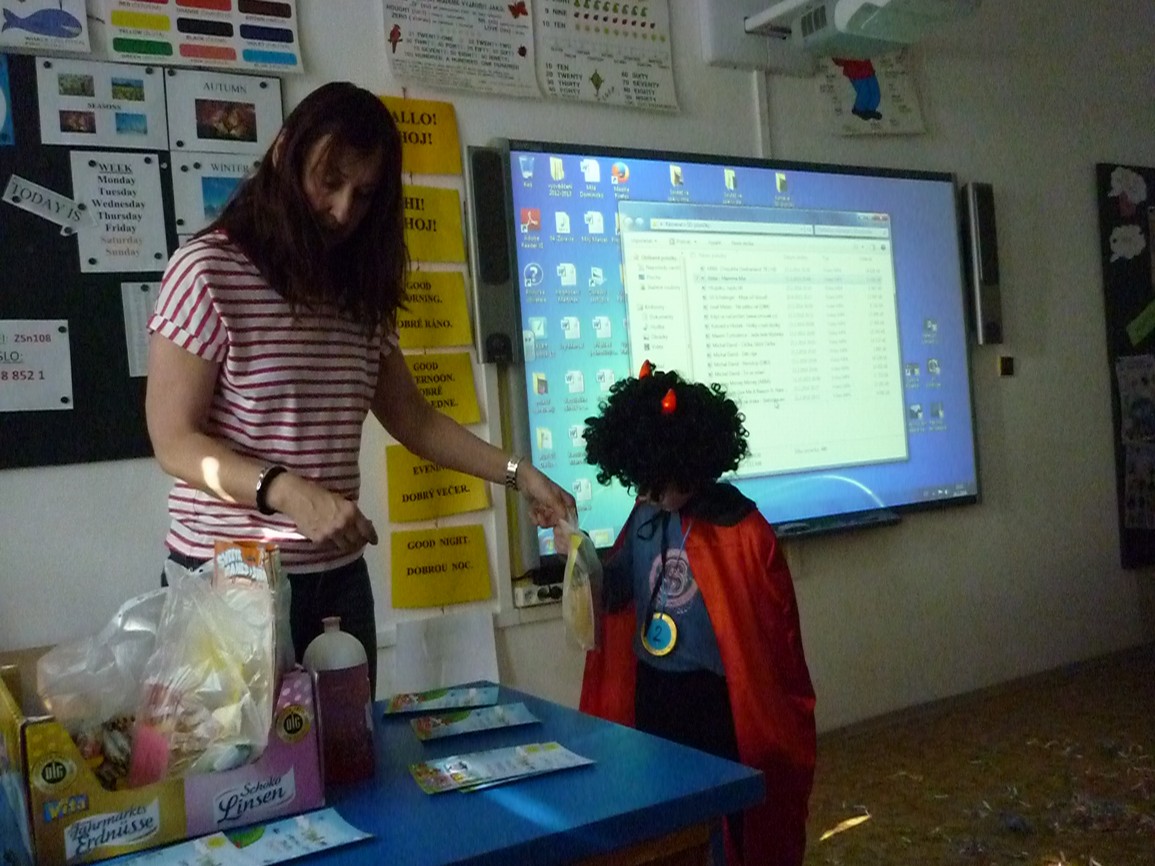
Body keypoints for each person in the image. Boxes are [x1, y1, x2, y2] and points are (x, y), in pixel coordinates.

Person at [146, 81, 575, 694]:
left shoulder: (357, 291)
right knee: (236, 757)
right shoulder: (208, 270)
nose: (344, 210)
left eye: (365, 193)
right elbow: (173, 440)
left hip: (336, 584)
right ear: (285, 153)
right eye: (330, 180)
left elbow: (415, 420)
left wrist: (518, 472)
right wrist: (287, 491)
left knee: (349, 747)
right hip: (227, 580)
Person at [559, 363, 816, 866]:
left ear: (692, 465)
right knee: (661, 809)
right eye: (644, 484)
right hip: (653, 691)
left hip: (714, 699)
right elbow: (616, 590)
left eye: (661, 485)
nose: (651, 496)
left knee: (722, 809)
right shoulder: (645, 515)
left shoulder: (740, 529)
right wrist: (580, 556)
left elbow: (765, 639)